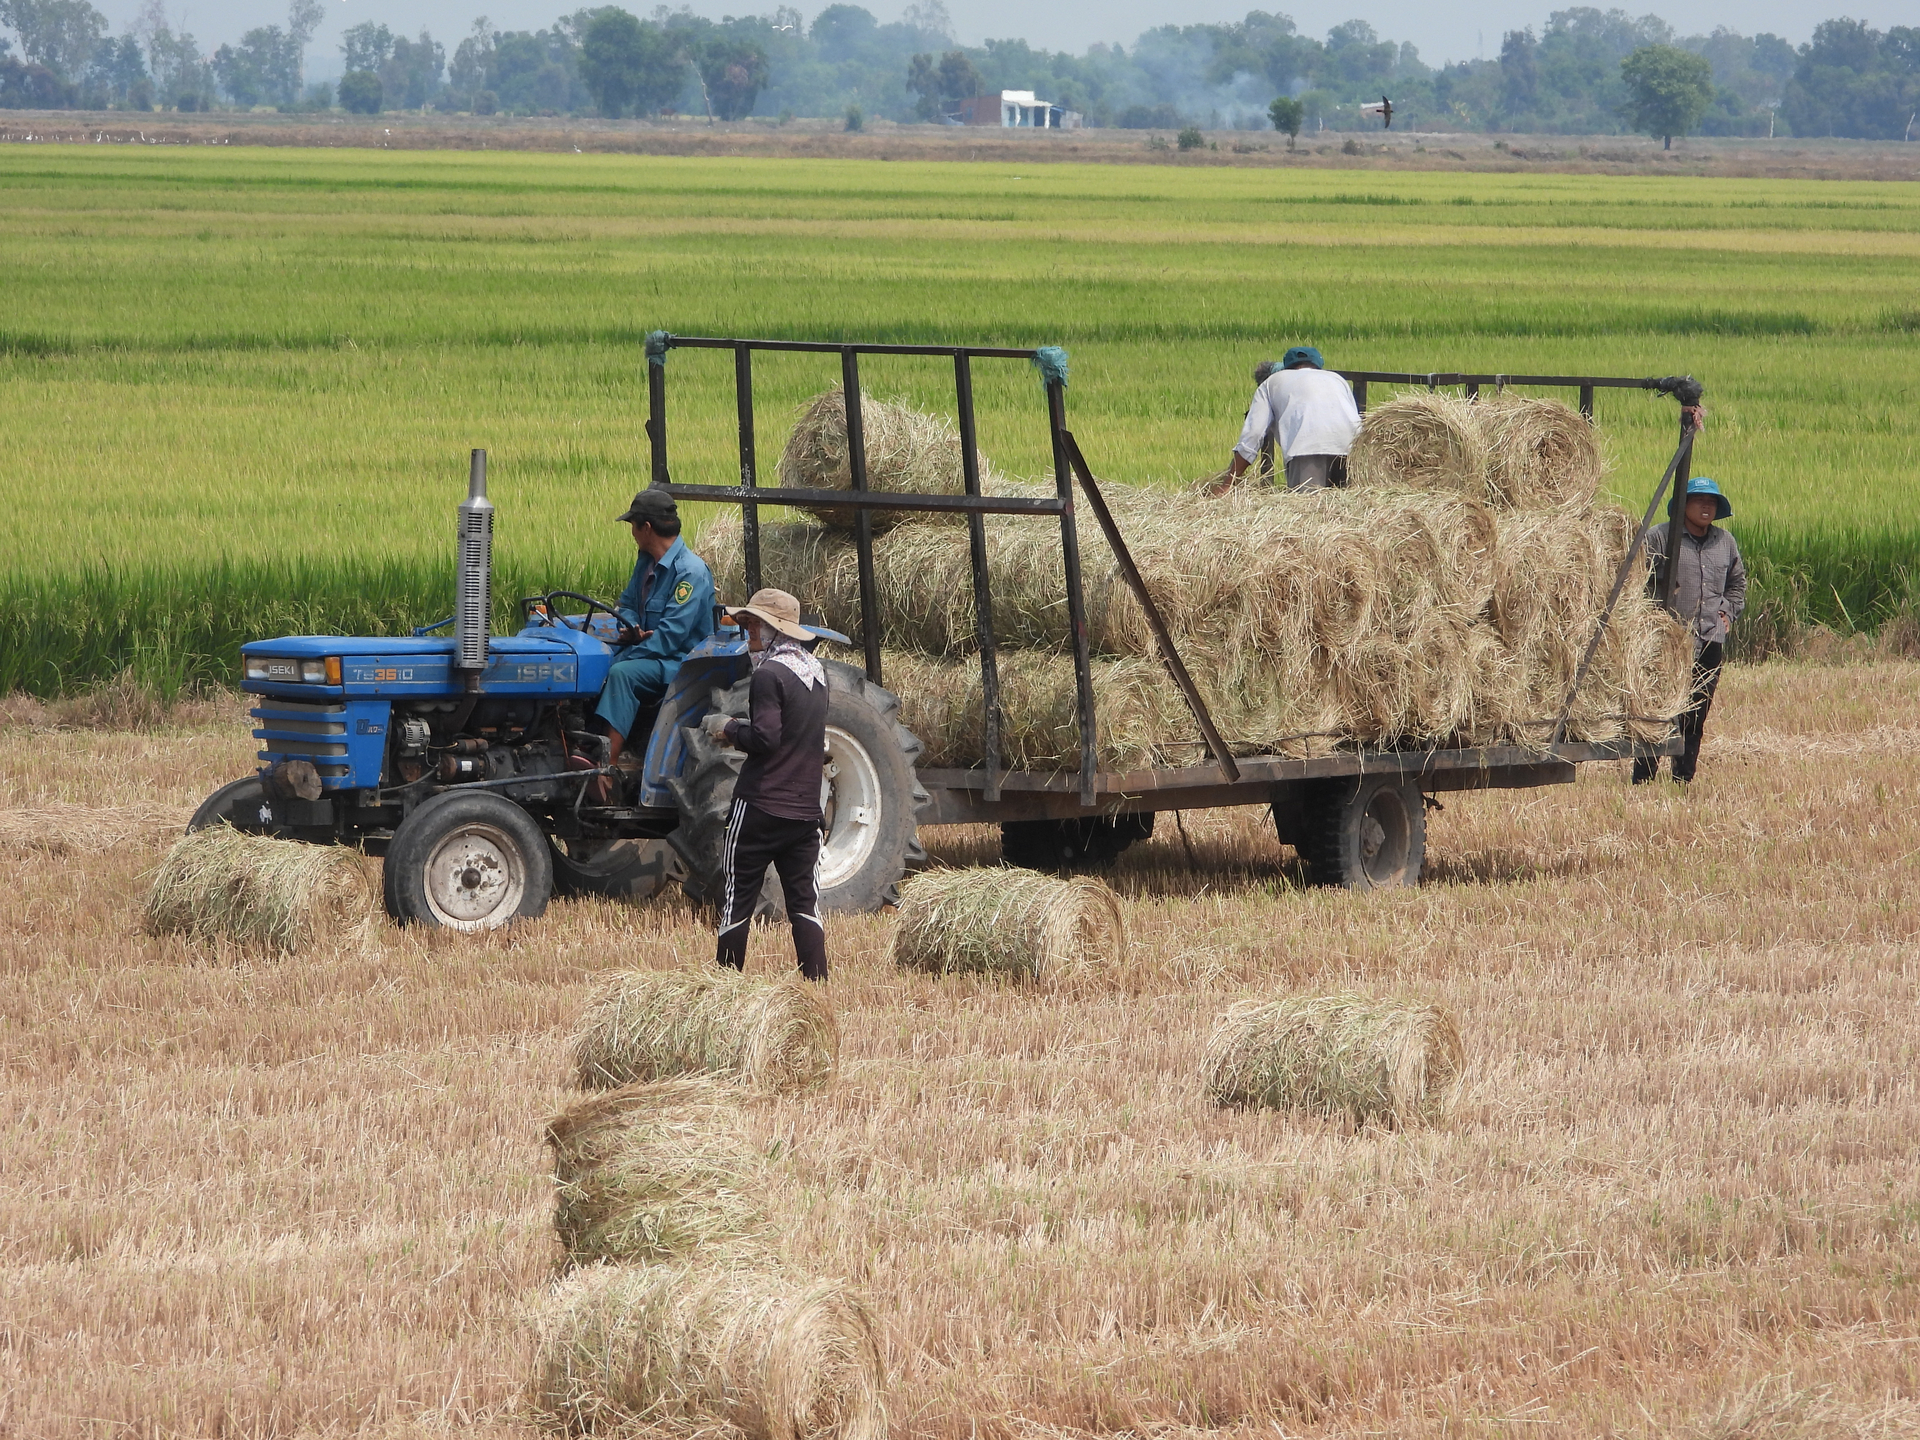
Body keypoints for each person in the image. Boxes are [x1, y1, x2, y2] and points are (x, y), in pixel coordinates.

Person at [698, 588, 831, 981]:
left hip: (759, 809)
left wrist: (730, 728)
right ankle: (817, 989)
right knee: (805, 906)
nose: (749, 631)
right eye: (749, 623)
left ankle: (725, 989)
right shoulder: (816, 674)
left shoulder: (769, 675)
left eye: (755, 624)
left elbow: (768, 739)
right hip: (806, 813)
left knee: (736, 902)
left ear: (776, 630)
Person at [593, 488, 715, 782]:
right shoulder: (645, 562)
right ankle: (586, 741)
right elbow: (629, 603)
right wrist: (632, 627)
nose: (632, 533)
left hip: (682, 663)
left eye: (633, 526)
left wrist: (631, 652)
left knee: (621, 673)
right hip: (650, 652)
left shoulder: (690, 573)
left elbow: (670, 637)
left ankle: (606, 769)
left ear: (646, 527)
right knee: (595, 664)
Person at [1634, 477, 1746, 785]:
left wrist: (1727, 612)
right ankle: (1643, 779)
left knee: (1696, 713)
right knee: (1656, 710)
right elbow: (1635, 579)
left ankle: (1683, 778)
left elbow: (1737, 584)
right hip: (1667, 640)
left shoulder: (1725, 543)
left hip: (1709, 639)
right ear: (1684, 506)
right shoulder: (1660, 537)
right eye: (1699, 501)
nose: (1706, 506)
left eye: (1711, 502)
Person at [1226, 345, 1362, 491]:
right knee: (1347, 510)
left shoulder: (1271, 382)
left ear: (1287, 366)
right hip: (1353, 451)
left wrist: (1227, 483)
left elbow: (1253, 434)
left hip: (1307, 449)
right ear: (1318, 365)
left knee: (1309, 509)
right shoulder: (1337, 379)